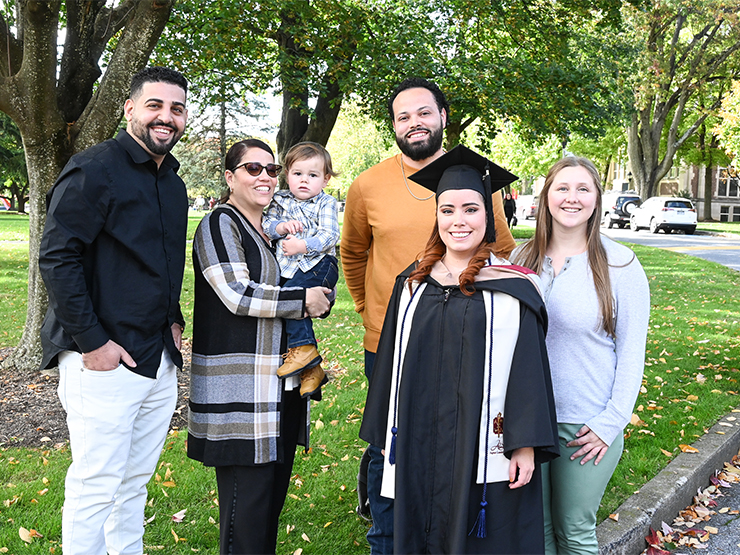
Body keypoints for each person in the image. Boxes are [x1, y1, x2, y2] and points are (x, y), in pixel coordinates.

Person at [341, 77, 516, 554]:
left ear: (442, 116)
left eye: (423, 112)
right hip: (389, 340)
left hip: (463, 338)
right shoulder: (367, 185)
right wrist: (370, 310)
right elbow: (353, 255)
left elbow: (498, 252)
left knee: (454, 439)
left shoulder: (478, 181)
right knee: (389, 444)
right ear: (393, 125)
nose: (414, 123)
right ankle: (387, 539)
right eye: (403, 116)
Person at [360, 145, 559, 554]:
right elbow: (389, 365)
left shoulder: (513, 286)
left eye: (470, 209)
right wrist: (382, 432)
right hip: (418, 437)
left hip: (483, 440)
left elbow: (530, 371)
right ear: (436, 218)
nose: (458, 221)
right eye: (447, 210)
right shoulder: (412, 284)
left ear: (488, 217)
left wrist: (524, 443)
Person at [38, 66, 189, 555]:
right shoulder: (94, 168)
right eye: (155, 105)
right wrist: (93, 343)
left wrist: (174, 320)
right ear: (130, 109)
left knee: (134, 483)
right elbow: (57, 257)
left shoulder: (174, 184)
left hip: (157, 355)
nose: (166, 117)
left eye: (177, 108)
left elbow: (160, 261)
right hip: (102, 357)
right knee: (96, 483)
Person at [187, 139, 331, 555]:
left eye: (271, 169)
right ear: (230, 178)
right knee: (244, 512)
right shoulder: (221, 224)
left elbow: (304, 282)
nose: (265, 176)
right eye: (252, 169)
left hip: (280, 386)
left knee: (268, 505)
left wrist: (319, 293)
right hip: (241, 390)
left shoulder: (272, 228)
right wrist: (303, 300)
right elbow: (236, 294)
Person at [511, 157, 650, 555]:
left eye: (583, 189)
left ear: (597, 200)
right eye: (562, 188)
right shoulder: (521, 261)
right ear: (546, 197)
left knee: (574, 532)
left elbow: (632, 354)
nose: (572, 198)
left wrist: (611, 421)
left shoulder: (621, 264)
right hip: (529, 422)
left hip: (586, 424)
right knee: (535, 532)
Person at [262, 141, 339, 399]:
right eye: (297, 174)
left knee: (291, 297)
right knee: (293, 304)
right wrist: (282, 228)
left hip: (319, 265)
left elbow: (330, 236)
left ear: (325, 179)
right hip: (290, 268)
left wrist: (303, 245)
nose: (304, 180)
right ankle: (311, 370)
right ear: (287, 175)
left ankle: (305, 352)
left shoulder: (325, 203)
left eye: (313, 175)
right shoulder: (279, 200)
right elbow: (267, 224)